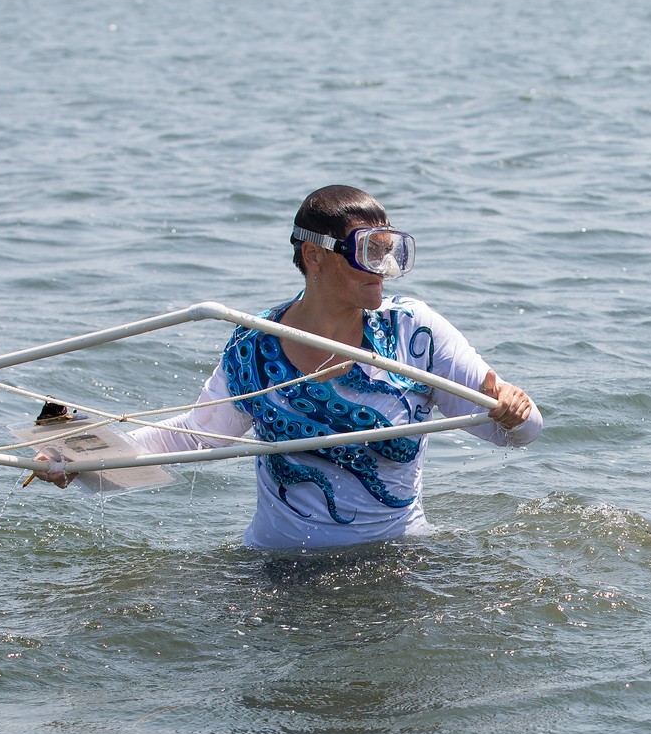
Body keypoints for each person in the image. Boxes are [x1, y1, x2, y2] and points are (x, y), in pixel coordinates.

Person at [35, 185, 540, 549]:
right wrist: (80, 462)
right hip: (277, 567)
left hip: (394, 559)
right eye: (368, 253)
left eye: (390, 253)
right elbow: (192, 438)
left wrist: (516, 411)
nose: (382, 270)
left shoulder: (414, 331)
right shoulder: (257, 343)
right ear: (313, 256)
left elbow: (520, 435)